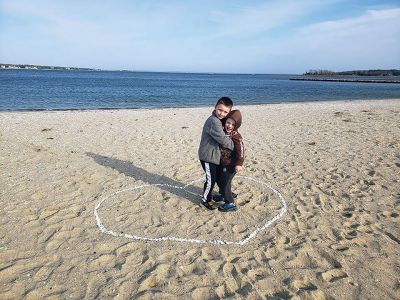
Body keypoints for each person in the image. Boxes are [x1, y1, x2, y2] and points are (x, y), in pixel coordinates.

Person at [198, 97, 234, 210]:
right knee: (211, 180)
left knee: (218, 177)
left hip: (215, 156)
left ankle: (224, 193)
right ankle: (205, 200)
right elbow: (222, 139)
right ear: (215, 107)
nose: (221, 113)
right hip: (208, 156)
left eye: (225, 112)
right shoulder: (213, 121)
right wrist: (235, 146)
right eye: (220, 110)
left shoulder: (219, 120)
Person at [217, 110, 244, 212]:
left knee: (225, 183)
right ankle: (222, 195)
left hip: (231, 164)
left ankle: (230, 202)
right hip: (223, 162)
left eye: (233, 124)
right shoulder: (223, 131)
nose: (230, 126)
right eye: (228, 122)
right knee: (220, 180)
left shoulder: (236, 135)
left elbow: (240, 149)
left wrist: (239, 163)